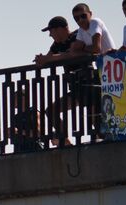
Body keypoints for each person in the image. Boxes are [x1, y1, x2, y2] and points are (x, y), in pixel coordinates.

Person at [36, 15, 95, 144]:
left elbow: (74, 54)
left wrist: (50, 58)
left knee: (95, 117)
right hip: (74, 86)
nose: (50, 35)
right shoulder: (57, 44)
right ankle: (65, 141)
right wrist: (41, 59)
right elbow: (49, 57)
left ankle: (103, 138)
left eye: (51, 31)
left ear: (59, 29)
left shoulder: (77, 36)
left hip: (89, 83)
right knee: (51, 110)